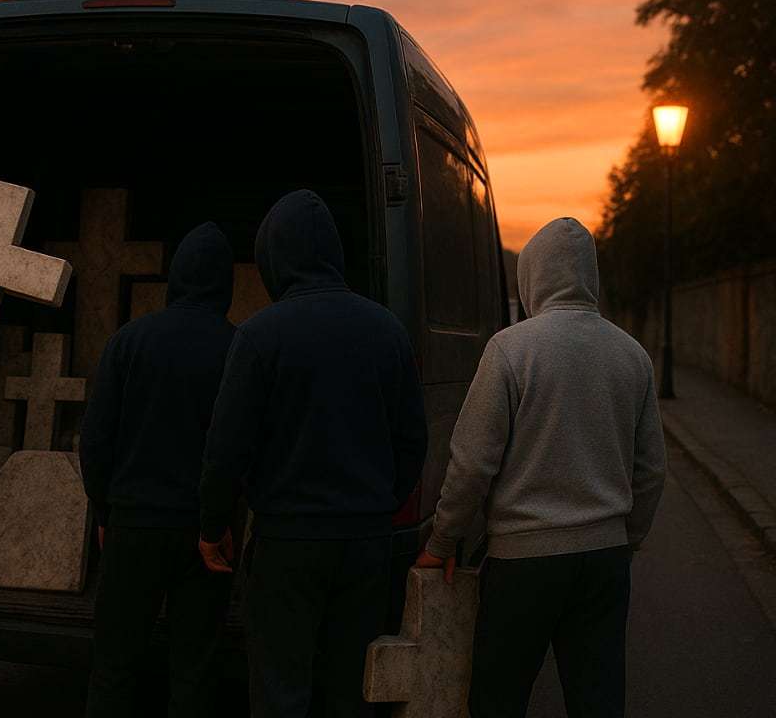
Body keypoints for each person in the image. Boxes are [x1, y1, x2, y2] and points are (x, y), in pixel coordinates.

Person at [415, 217, 667, 718]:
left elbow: (472, 464)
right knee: (597, 700)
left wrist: (441, 542)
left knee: (498, 699)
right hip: (603, 559)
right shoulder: (632, 356)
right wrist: (626, 539)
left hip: (522, 562)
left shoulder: (510, 350)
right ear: (590, 276)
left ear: (531, 277)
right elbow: (651, 470)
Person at [199, 190, 428, 718]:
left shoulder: (260, 335)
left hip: (287, 541)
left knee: (281, 688)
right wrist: (379, 504)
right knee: (348, 690)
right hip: (365, 542)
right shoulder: (387, 330)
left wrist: (213, 525)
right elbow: (413, 439)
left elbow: (226, 446)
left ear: (273, 257)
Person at [80, 222, 239, 718]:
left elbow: (95, 440)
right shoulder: (239, 347)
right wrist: (223, 518)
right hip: (205, 534)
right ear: (225, 283)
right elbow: (238, 447)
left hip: (132, 526)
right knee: (195, 671)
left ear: (176, 276)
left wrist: (104, 512)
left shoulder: (128, 341)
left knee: (114, 666)